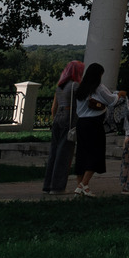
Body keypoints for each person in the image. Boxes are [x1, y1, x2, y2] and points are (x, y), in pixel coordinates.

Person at [71, 63, 116, 195]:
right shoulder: (99, 88)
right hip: (94, 124)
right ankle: (83, 185)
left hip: (81, 123)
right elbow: (111, 100)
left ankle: (81, 185)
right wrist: (120, 95)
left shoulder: (80, 88)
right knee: (96, 153)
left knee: (82, 154)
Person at [42, 60, 84, 194]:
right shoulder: (75, 86)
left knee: (54, 152)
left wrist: (54, 120)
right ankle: (58, 187)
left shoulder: (60, 86)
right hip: (69, 117)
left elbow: (54, 107)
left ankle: (48, 185)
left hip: (58, 118)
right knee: (64, 153)